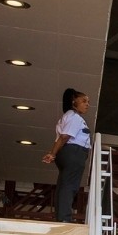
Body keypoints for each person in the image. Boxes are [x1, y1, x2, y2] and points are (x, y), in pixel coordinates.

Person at [42, 87, 92, 223]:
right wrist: (52, 153)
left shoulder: (68, 117)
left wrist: (55, 153)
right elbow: (64, 137)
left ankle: (61, 216)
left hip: (68, 152)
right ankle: (64, 218)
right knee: (70, 185)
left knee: (64, 185)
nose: (87, 104)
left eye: (88, 102)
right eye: (84, 101)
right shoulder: (74, 117)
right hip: (74, 152)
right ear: (73, 101)